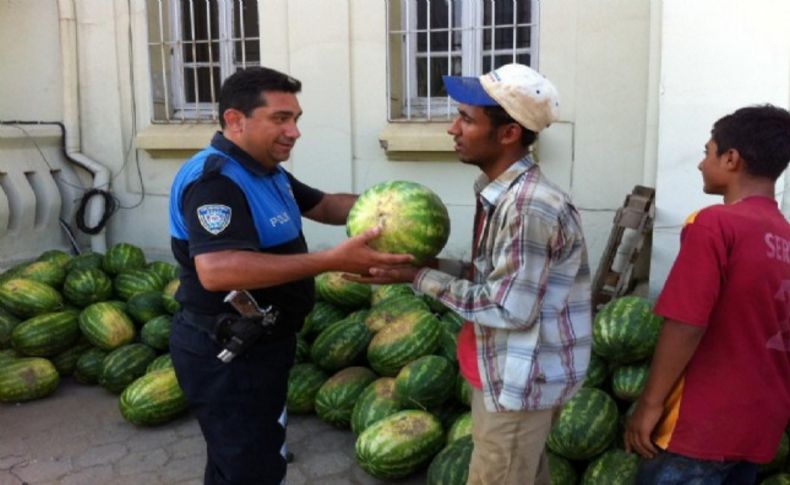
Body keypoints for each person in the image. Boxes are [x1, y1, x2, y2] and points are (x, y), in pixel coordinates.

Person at [167, 66, 411, 485]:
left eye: (295, 119)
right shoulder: (216, 181)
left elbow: (326, 206)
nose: (294, 131)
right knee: (249, 468)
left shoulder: (267, 171)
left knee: (247, 459)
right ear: (235, 120)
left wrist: (392, 207)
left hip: (263, 345)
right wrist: (331, 260)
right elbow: (218, 269)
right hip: (225, 355)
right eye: (280, 118)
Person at [352, 63, 592, 485]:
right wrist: (425, 266)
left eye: (466, 118)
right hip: (507, 376)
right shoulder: (502, 195)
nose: (452, 129)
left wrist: (417, 278)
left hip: (519, 385)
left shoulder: (527, 207)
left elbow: (507, 307)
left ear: (508, 133)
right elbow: (495, 279)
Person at [625, 105, 790, 484]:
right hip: (759, 427)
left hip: (698, 427)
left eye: (707, 151)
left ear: (731, 159)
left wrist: (649, 405)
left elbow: (686, 323)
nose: (701, 164)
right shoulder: (785, 235)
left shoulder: (714, 224)